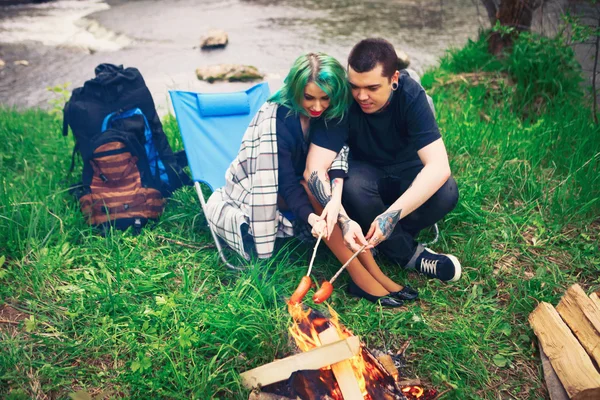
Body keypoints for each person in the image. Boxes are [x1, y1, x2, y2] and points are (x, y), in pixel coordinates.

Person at [206, 52, 417, 306]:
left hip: (306, 181)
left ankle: (376, 274)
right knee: (310, 187)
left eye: (324, 98)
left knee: (319, 188)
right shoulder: (278, 118)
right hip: (263, 188)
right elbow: (283, 181)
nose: (317, 107)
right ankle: (361, 278)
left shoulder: (331, 111)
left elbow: (337, 155)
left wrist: (336, 203)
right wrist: (311, 217)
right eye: (309, 98)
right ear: (296, 89)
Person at [339, 38, 461, 282]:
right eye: (355, 86)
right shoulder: (344, 97)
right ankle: (410, 256)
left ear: (394, 79)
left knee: (446, 191)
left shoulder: (411, 95)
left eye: (372, 88)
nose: (361, 96)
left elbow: (438, 166)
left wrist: (391, 215)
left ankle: (383, 237)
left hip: (407, 176)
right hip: (366, 178)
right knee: (352, 186)